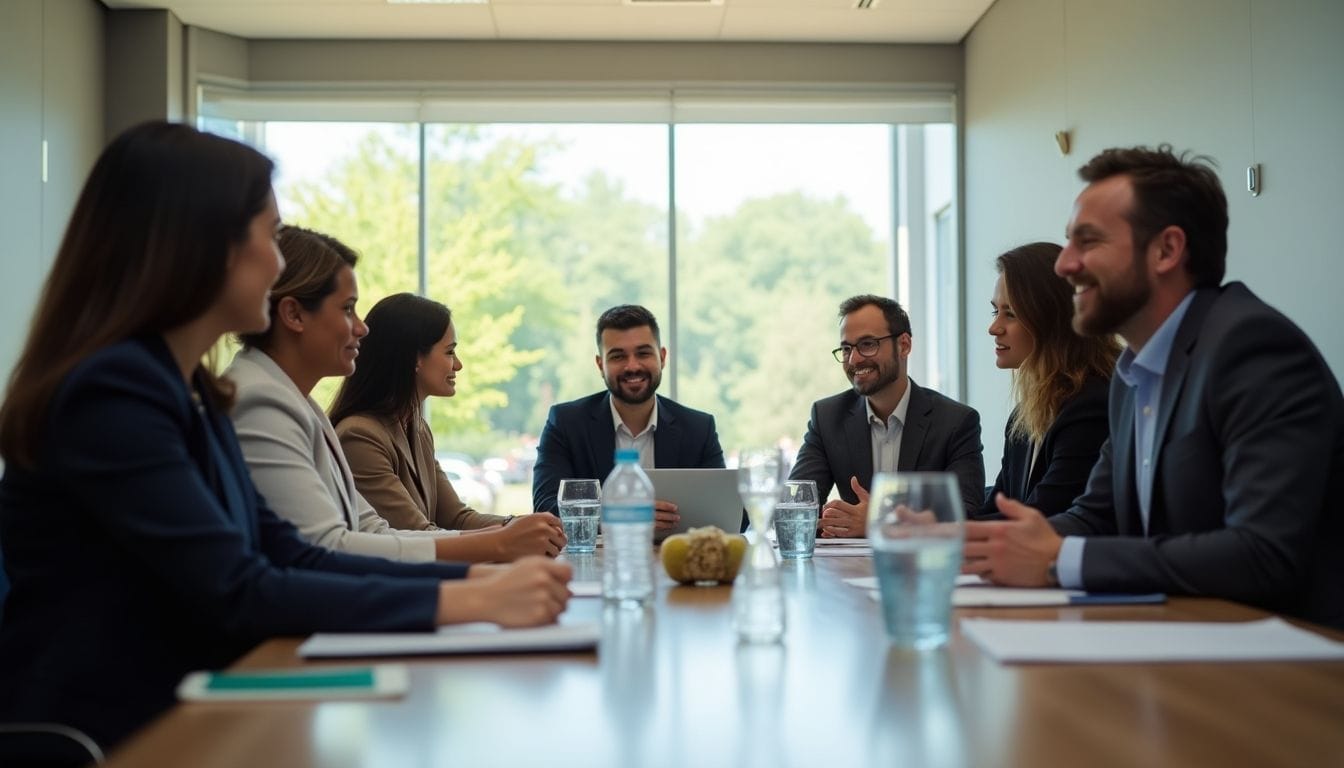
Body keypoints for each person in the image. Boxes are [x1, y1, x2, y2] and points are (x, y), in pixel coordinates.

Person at [0, 122, 572, 751]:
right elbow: (238, 589)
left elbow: (291, 555)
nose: (278, 263)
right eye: (269, 237)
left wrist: (474, 582)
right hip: (122, 732)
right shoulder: (115, 393)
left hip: (195, 706)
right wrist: (471, 600)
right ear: (196, 246)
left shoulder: (194, 391)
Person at [963, 145, 1344, 628]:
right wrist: (967, 546)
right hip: (1184, 644)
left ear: (1167, 250)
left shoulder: (1252, 348)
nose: (1065, 265)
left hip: (1286, 671)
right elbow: (1093, 517)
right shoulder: (1132, 373)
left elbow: (1261, 553)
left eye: (1089, 241)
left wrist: (1059, 561)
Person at [227, 226, 563, 562]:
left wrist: (515, 532)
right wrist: (500, 545)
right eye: (347, 309)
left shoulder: (301, 404)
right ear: (294, 314)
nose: (362, 328)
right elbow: (328, 548)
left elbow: (373, 532)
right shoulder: (267, 403)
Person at [329, 294, 567, 552]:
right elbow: (417, 535)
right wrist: (511, 537)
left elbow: (456, 517)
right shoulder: (360, 436)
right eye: (450, 351)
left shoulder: (417, 429)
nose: (458, 364)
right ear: (415, 359)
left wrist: (525, 525)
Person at [789, 295, 984, 536]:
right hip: (847, 570)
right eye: (846, 348)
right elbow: (795, 506)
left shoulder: (956, 422)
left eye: (867, 344)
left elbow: (966, 513)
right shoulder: (828, 417)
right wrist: (837, 522)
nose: (854, 359)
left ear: (904, 345)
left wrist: (879, 522)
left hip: (923, 568)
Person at [532, 304, 726, 532]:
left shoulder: (699, 428)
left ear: (662, 357)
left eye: (643, 353)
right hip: (594, 565)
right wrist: (624, 517)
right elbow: (546, 511)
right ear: (600, 365)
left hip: (675, 563)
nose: (632, 366)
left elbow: (731, 516)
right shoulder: (565, 423)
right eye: (617, 356)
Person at [976, 241, 1120, 519]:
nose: (994, 328)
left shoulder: (1091, 406)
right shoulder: (1025, 415)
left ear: (1050, 319)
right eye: (996, 311)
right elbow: (996, 508)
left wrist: (932, 531)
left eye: (1011, 314)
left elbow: (1040, 518)